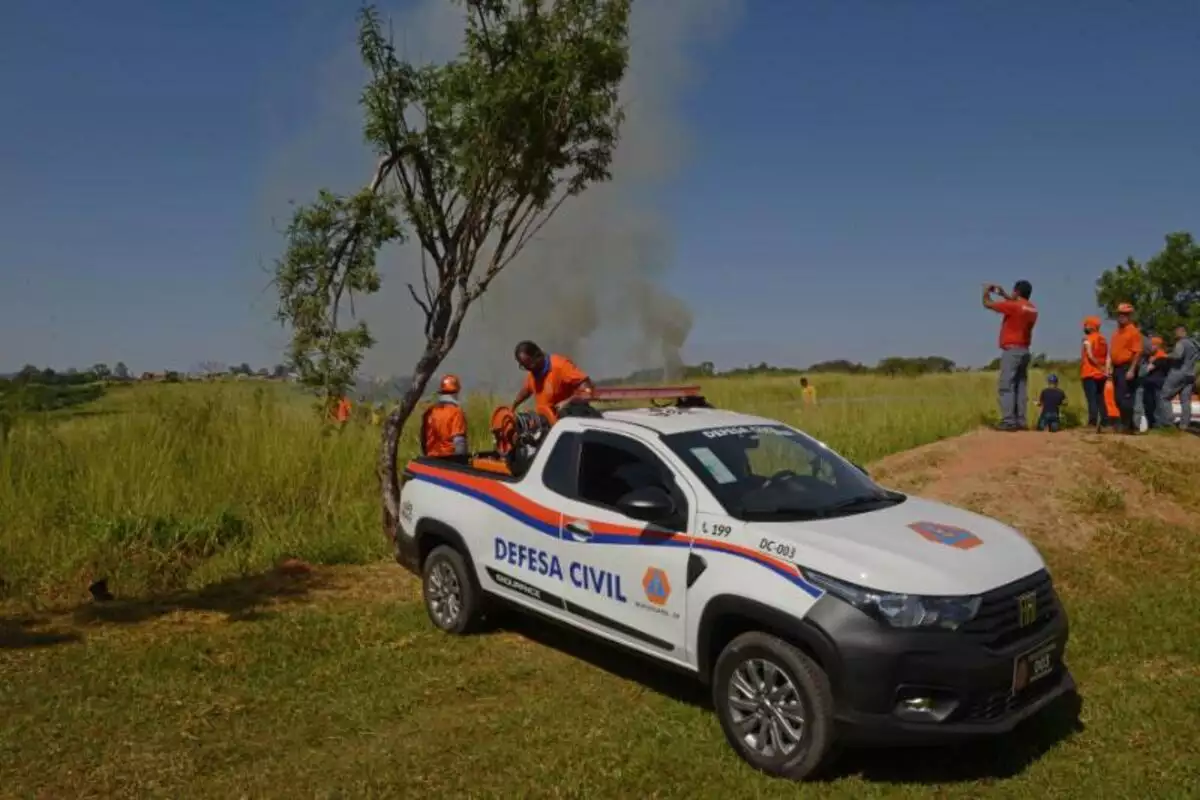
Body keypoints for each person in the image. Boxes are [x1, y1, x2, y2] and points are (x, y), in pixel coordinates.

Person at [983, 280, 1038, 431]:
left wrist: (986, 291)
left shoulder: (1014, 307)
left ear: (1017, 292)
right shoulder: (1032, 308)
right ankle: (1021, 420)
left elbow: (987, 304)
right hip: (1025, 350)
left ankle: (1008, 421)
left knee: (1006, 385)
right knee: (1021, 386)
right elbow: (1017, 305)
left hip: (1012, 350)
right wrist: (1004, 294)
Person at [512, 340, 594, 424]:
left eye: (529, 364)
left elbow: (587, 390)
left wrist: (568, 402)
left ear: (538, 355)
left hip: (570, 422)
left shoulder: (561, 366)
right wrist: (513, 405)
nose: (528, 369)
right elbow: (526, 390)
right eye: (524, 366)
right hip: (547, 425)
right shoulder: (533, 373)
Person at [1106, 302, 1142, 434]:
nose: (1121, 317)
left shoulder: (1133, 332)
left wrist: (1132, 370)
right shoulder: (1116, 333)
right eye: (1120, 314)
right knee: (1117, 397)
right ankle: (1129, 425)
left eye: (1124, 314)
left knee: (1125, 398)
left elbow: (1137, 352)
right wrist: (1109, 366)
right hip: (1116, 368)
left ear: (1129, 316)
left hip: (1127, 367)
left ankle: (1126, 425)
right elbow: (1112, 351)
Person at [421, 374, 469, 459]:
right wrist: (462, 463)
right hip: (449, 461)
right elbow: (459, 442)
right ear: (456, 392)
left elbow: (423, 440)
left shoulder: (429, 412)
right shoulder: (456, 412)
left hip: (430, 460)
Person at [1161, 324, 1198, 429]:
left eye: (1177, 331)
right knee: (1185, 400)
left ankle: (1169, 422)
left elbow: (1177, 355)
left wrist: (1166, 356)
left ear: (1182, 331)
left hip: (1178, 372)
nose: (1175, 334)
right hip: (1191, 374)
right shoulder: (1194, 343)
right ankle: (1184, 424)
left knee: (1164, 396)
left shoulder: (1181, 343)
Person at [1080, 316, 1108, 430]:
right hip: (1101, 374)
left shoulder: (1088, 339)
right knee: (1101, 398)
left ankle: (1092, 422)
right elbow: (1108, 356)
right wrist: (1104, 368)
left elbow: (1090, 355)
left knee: (1091, 399)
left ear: (1090, 326)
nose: (1084, 327)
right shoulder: (1103, 339)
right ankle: (1105, 422)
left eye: (1086, 325)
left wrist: (1097, 365)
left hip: (1089, 372)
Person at [1142, 336, 1170, 429]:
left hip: (1155, 383)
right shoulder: (1158, 356)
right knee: (1153, 404)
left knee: (1155, 404)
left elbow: (1148, 369)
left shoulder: (1161, 356)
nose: (1150, 347)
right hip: (1154, 383)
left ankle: (1157, 424)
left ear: (1157, 346)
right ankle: (1155, 424)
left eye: (1152, 345)